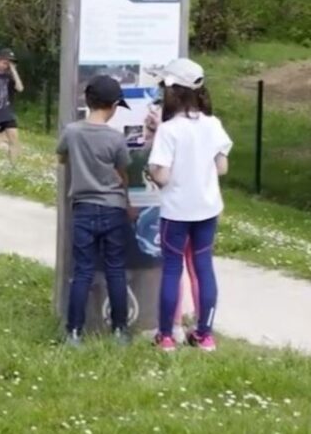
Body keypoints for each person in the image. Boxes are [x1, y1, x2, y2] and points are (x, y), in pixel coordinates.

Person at [148, 58, 232, 352]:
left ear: (172, 91)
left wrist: (151, 164)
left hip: (176, 210)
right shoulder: (213, 124)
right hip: (207, 207)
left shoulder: (169, 130)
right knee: (203, 267)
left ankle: (167, 336)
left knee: (172, 268)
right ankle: (204, 335)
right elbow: (222, 168)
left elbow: (162, 175)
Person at [56, 75, 133, 347]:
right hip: (113, 208)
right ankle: (120, 331)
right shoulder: (115, 138)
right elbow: (123, 173)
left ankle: (74, 332)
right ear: (113, 106)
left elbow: (63, 157)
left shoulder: (72, 132)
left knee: (83, 271)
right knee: (115, 270)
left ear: (87, 102)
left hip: (83, 209)